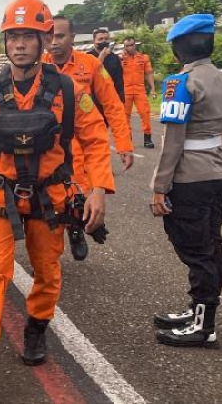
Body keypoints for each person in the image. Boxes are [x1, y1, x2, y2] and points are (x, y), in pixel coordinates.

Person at [0, 0, 113, 398]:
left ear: (43, 40)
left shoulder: (66, 89)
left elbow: (94, 138)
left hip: (50, 196)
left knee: (47, 272)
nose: (19, 44)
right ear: (6, 42)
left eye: (27, 37)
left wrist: (99, 189)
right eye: (13, 37)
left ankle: (36, 328)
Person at [151, 13, 222, 348]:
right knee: (210, 244)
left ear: (178, 49)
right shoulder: (221, 77)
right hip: (217, 175)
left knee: (197, 250)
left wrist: (159, 187)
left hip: (190, 179)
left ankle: (204, 326)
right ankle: (199, 313)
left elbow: (174, 142)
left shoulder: (179, 84)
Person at [44, 15, 134, 260]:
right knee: (47, 198)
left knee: (78, 193)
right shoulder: (37, 66)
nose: (54, 42)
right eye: (50, 36)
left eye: (60, 36)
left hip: (79, 144)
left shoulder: (91, 65)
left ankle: (76, 229)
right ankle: (46, 254)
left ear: (73, 38)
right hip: (47, 146)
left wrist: (124, 145)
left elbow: (112, 105)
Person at [120, 36, 157, 148]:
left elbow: (149, 73)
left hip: (140, 89)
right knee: (125, 117)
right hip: (125, 90)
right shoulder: (120, 59)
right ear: (124, 47)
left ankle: (147, 139)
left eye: (131, 45)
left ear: (135, 45)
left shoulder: (143, 58)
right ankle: (128, 140)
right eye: (127, 46)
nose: (130, 47)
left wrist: (153, 89)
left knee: (145, 113)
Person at [88, 28, 125, 104]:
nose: (104, 41)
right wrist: (101, 58)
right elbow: (89, 77)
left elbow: (119, 80)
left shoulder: (114, 58)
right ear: (94, 41)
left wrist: (121, 97)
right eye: (100, 39)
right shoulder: (87, 57)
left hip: (111, 97)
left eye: (106, 39)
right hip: (93, 99)